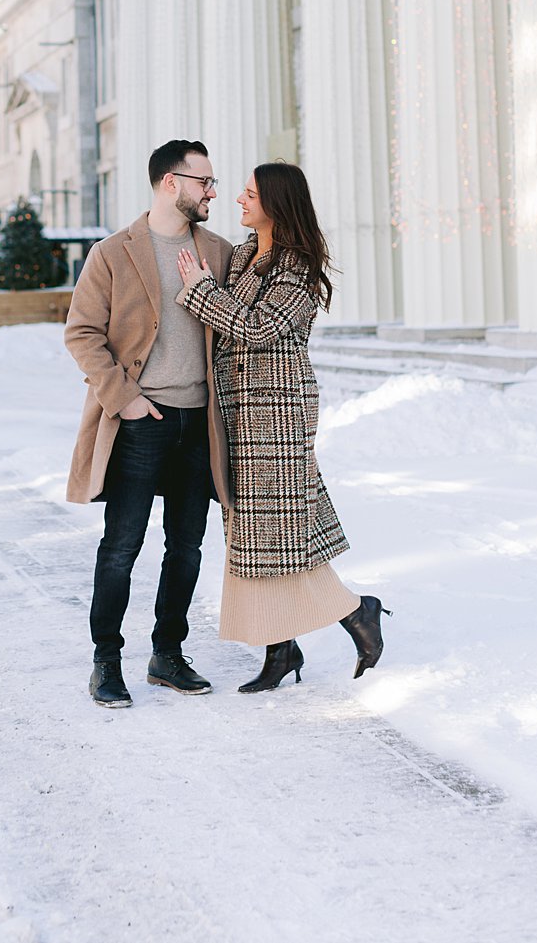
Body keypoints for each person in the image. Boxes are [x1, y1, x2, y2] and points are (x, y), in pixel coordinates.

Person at [172, 161, 386, 694]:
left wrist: (200, 292)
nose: (237, 200)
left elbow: (261, 328)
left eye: (248, 193)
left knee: (276, 533)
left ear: (275, 201)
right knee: (257, 533)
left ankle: (358, 613)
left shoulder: (296, 264)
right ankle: (282, 647)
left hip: (278, 412)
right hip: (236, 409)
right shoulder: (244, 254)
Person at [64, 138, 235, 708]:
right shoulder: (113, 253)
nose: (212, 191)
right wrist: (127, 400)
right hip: (141, 422)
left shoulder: (220, 251)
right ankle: (106, 662)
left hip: (198, 423)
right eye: (204, 181)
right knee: (122, 546)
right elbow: (82, 333)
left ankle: (167, 654)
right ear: (171, 182)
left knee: (186, 547)